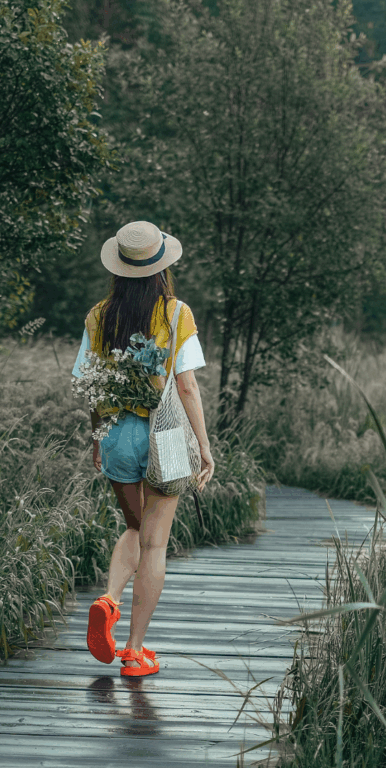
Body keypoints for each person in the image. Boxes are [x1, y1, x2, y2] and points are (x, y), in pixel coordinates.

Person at [71, 221, 215, 677]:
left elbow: (90, 385)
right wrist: (205, 449)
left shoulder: (98, 316)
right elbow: (187, 386)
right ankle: (134, 653)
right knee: (154, 544)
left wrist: (98, 436)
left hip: (115, 434)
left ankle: (108, 598)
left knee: (134, 525)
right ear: (160, 267)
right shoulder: (176, 314)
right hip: (166, 435)